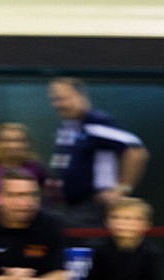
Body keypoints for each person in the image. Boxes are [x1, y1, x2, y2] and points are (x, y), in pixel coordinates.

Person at [47, 77, 149, 227]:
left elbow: (136, 151)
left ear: (80, 96)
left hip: (93, 207)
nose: (58, 104)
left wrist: (121, 189)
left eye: (63, 99)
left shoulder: (96, 123)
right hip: (70, 206)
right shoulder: (66, 127)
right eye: (54, 100)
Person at [0, 122, 47, 206]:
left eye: (19, 141)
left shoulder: (36, 168)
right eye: (7, 140)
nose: (13, 145)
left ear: (27, 144)